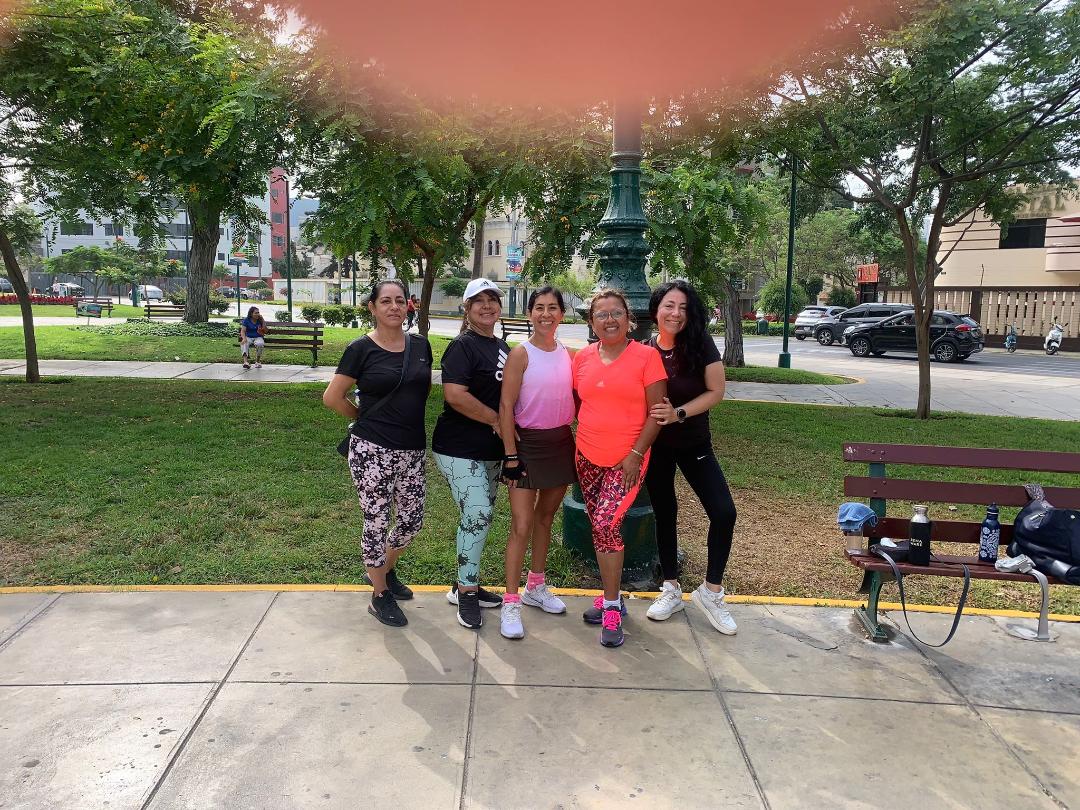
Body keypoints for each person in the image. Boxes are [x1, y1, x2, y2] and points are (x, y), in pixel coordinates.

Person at [321, 279, 433, 627]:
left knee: (411, 521)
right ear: (372, 307)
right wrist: (363, 418)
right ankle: (380, 594)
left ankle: (383, 569)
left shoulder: (420, 345)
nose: (394, 307)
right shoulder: (360, 349)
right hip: (372, 450)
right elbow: (332, 397)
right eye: (385, 301)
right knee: (377, 521)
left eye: (400, 300)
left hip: (412, 450)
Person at [573, 289, 667, 647]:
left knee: (605, 525)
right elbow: (580, 401)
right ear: (591, 321)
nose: (609, 319)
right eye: (601, 314)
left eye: (616, 313)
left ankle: (611, 606)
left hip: (628, 460)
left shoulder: (646, 357)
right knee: (602, 529)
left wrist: (636, 454)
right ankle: (611, 596)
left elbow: (657, 413)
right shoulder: (582, 358)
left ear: (629, 320)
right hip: (586, 456)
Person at [644, 280, 738, 634]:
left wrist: (678, 413)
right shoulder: (645, 350)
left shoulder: (700, 344)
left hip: (695, 444)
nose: (676, 313)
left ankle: (711, 592)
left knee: (724, 512)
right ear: (657, 309)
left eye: (683, 307)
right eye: (669, 305)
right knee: (665, 513)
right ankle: (670, 587)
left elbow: (716, 391)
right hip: (657, 446)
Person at [497, 286, 576, 639]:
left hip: (560, 443)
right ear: (530, 313)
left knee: (546, 518)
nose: (546, 314)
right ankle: (511, 601)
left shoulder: (569, 354)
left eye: (553, 307)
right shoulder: (520, 353)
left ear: (562, 314)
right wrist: (511, 455)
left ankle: (536, 586)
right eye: (539, 307)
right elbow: (505, 407)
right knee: (522, 524)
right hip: (526, 446)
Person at [432, 277, 508, 629]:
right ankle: (467, 593)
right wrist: (496, 420)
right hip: (458, 447)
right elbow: (455, 395)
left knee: (480, 516)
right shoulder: (462, 347)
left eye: (493, 299)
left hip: (491, 450)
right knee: (477, 513)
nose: (487, 306)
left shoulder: (501, 347)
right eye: (479, 301)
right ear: (467, 308)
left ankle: (464, 582)